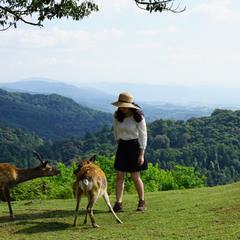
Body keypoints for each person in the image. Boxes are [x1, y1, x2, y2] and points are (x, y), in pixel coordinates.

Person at [111, 92, 148, 212]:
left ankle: (142, 201)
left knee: (135, 176)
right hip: (122, 146)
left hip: (135, 146)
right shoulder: (117, 116)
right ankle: (118, 203)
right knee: (119, 176)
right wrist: (119, 144)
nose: (121, 108)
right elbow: (116, 131)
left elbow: (143, 135)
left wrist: (141, 154)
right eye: (120, 106)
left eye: (123, 105)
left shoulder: (138, 117)